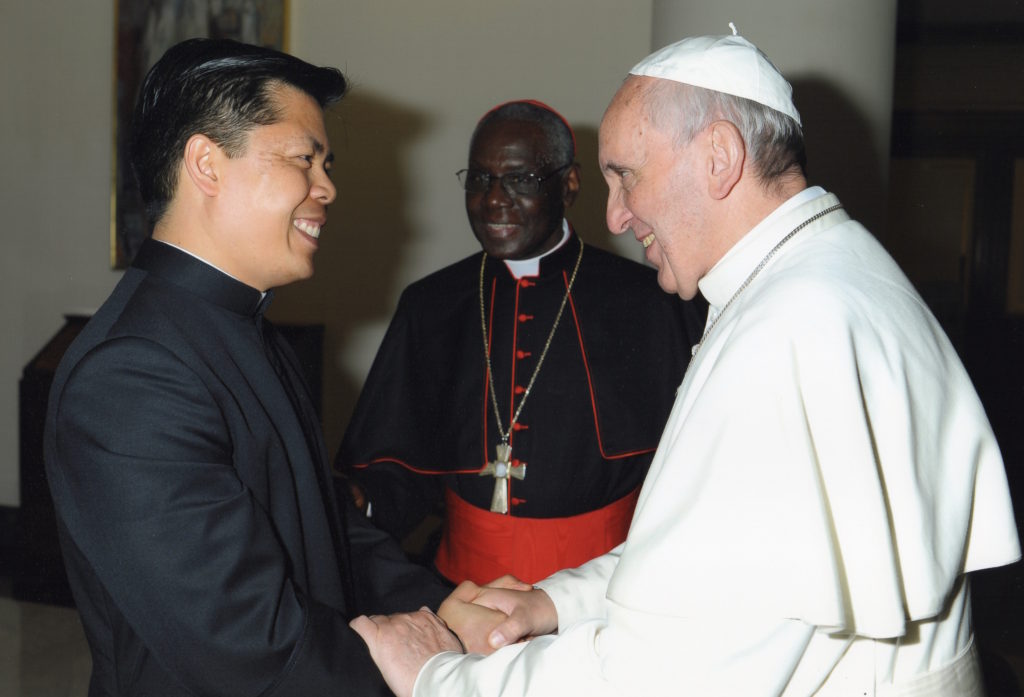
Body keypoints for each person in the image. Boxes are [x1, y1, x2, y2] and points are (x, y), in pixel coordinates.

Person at [349, 31, 1022, 697]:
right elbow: (712, 568)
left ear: (720, 158)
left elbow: (663, 673)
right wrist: (553, 603)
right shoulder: (821, 277)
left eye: (627, 176)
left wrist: (441, 677)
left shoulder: (789, 333)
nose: (613, 216)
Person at [44, 38, 452, 696]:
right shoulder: (131, 375)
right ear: (207, 162)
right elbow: (247, 643)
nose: (327, 187)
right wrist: (428, 669)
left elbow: (320, 524)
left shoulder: (240, 327)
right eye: (304, 160)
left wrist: (439, 608)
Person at [336, 99, 704, 585]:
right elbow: (399, 466)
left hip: (605, 596)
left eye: (521, 180)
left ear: (568, 185)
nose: (494, 200)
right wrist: (365, 501)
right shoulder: (431, 305)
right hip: (460, 593)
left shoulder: (651, 302)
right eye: (480, 179)